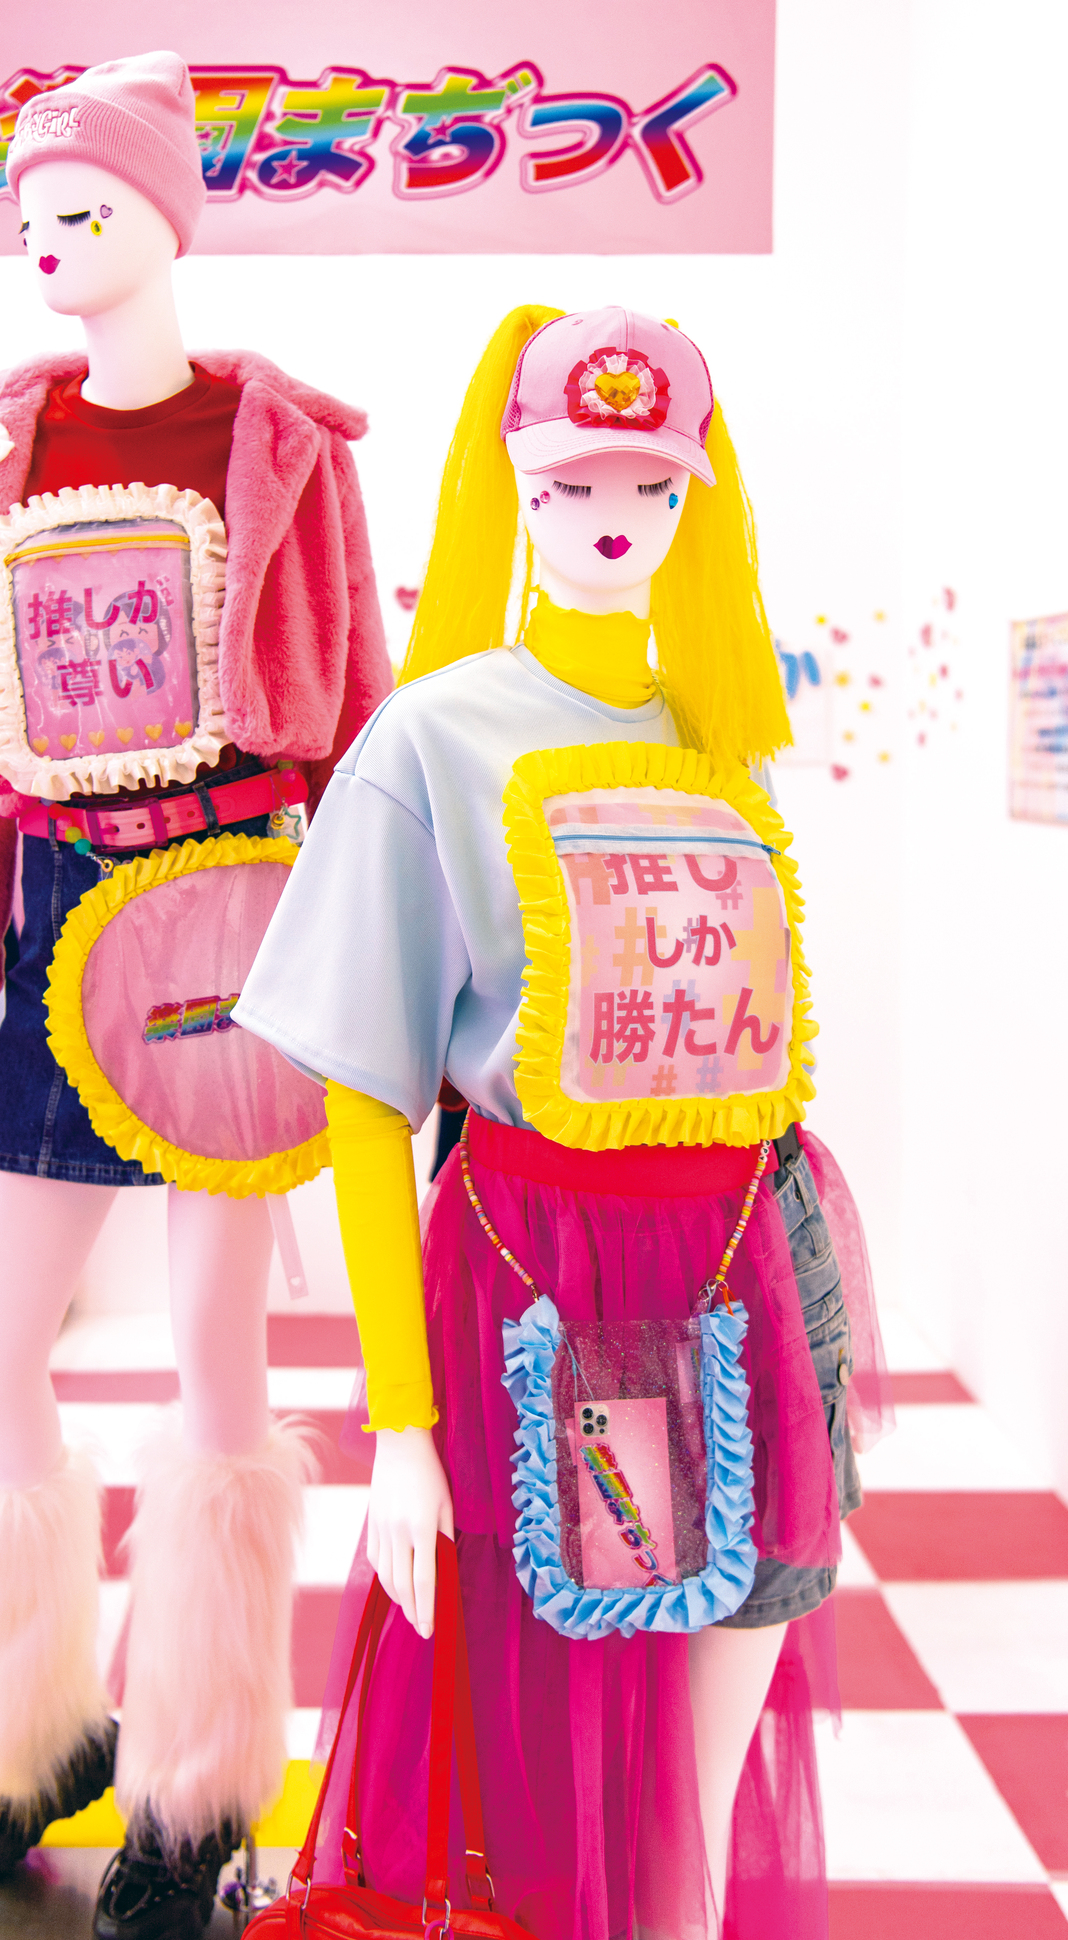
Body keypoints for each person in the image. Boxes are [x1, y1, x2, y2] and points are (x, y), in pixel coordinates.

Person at [236, 306, 889, 1939]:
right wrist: (398, 1424)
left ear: (696, 504)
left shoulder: (720, 733)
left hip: (749, 1263)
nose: (615, 519)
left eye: (654, 487)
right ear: (513, 491)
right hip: (548, 1295)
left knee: (695, 1801)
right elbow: (366, 1095)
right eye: (570, 484)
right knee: (555, 1765)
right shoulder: (432, 738)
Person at [0, 53, 390, 1940]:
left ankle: (201, 1789)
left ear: (170, 217)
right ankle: (33, 1738)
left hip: (240, 914)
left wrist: (375, 978)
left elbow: (360, 723)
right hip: (57, 914)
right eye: (30, 215)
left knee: (219, 1360)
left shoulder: (284, 447)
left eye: (87, 205)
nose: (54, 239)